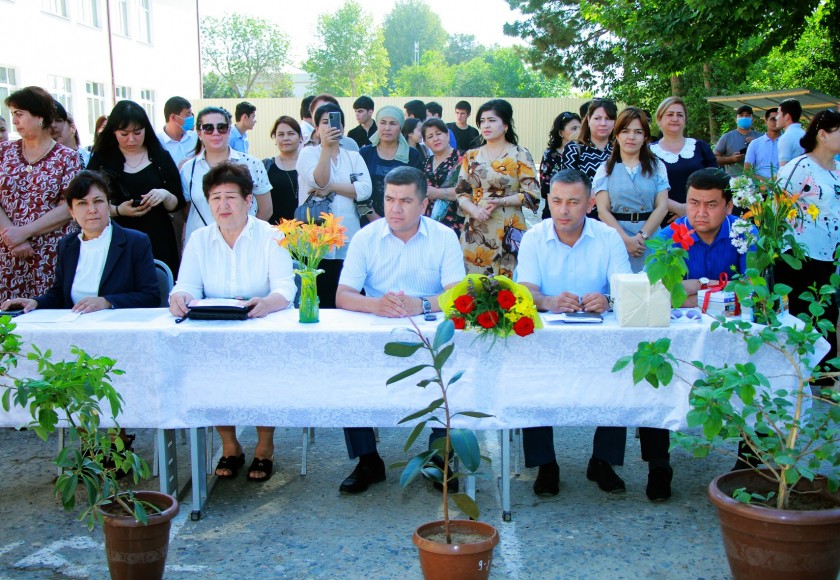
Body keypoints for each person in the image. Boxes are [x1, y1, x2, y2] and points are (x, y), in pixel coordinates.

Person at [516, 168, 674, 501]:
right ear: (548, 200)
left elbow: (622, 289)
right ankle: (545, 464)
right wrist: (549, 301)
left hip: (598, 333)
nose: (563, 209)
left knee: (617, 375)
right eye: (556, 201)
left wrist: (608, 299)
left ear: (589, 203)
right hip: (548, 337)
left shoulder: (607, 236)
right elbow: (525, 291)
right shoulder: (534, 237)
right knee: (530, 377)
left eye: (573, 202)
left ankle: (603, 461)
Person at [335, 166, 466, 494]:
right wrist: (375, 305)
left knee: (453, 371)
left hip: (431, 333)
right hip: (377, 333)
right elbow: (343, 296)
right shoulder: (367, 237)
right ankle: (368, 459)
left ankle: (439, 457)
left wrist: (420, 304)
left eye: (405, 201)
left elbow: (457, 295)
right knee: (349, 372)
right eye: (389, 199)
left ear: (423, 205)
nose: (395, 208)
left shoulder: (444, 236)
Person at [169, 162, 296, 482]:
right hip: (214, 327)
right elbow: (187, 285)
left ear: (248, 200)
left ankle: (264, 446)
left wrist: (266, 303)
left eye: (230, 197)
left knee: (263, 374)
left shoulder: (271, 235)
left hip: (260, 325)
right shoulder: (199, 238)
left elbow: (285, 288)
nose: (222, 205)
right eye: (215, 198)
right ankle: (230, 444)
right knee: (206, 372)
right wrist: (179, 296)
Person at [1, 170, 159, 313]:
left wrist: (107, 302)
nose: (92, 210)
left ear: (109, 205)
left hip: (119, 327)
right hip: (76, 329)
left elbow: (150, 296)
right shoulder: (67, 245)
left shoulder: (135, 241)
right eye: (82, 203)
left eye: (98, 201)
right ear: (72, 211)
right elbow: (58, 295)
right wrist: (34, 302)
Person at [0, 86, 81, 301]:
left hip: (49, 254)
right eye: (13, 115)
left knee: (47, 318)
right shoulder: (3, 152)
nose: (15, 121)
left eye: (19, 114)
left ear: (40, 117)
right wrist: (13, 237)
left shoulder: (68, 157)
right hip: (6, 252)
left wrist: (25, 232)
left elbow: (68, 207)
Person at [87, 100, 186, 275]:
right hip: (116, 236)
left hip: (157, 236)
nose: (131, 139)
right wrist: (118, 210)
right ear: (114, 132)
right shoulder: (101, 160)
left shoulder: (160, 157)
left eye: (137, 133)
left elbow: (177, 202)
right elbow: (88, 201)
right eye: (124, 134)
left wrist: (163, 194)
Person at [775, 109, 840, 357]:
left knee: (826, 314)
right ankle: (799, 378)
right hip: (799, 257)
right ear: (822, 135)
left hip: (829, 255)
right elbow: (776, 208)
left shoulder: (837, 169)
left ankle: (824, 382)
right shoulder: (800, 166)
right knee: (802, 318)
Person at [296, 103, 372, 309]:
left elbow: (365, 189)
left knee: (346, 296)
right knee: (319, 297)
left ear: (343, 128)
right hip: (317, 237)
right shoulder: (308, 154)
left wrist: (332, 188)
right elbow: (319, 181)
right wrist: (327, 150)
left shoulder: (354, 157)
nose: (330, 127)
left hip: (348, 236)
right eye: (324, 123)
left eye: (334, 123)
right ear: (316, 128)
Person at [456, 99, 540, 277]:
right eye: (482, 121)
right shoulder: (471, 156)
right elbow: (461, 193)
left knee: (508, 289)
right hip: (475, 229)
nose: (486, 125)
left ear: (506, 125)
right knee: (473, 288)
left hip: (508, 228)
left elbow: (533, 194)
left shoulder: (520, 154)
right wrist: (474, 210)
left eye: (492, 120)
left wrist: (501, 201)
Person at [179, 106, 273, 246]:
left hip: (243, 245)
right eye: (208, 128)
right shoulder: (189, 169)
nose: (215, 133)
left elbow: (266, 210)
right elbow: (186, 210)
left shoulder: (252, 164)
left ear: (229, 130)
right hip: (202, 247)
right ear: (199, 133)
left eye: (221, 127)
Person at [657, 168, 748, 306]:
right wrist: (725, 289)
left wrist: (699, 284)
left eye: (711, 205)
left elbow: (752, 290)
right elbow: (657, 295)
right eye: (694, 203)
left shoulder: (746, 233)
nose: (701, 213)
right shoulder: (666, 238)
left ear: (729, 206)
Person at [594, 107, 670, 272]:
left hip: (651, 236)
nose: (631, 137)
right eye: (625, 131)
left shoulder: (657, 166)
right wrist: (626, 240)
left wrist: (641, 237)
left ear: (645, 137)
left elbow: (662, 206)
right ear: (617, 135)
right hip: (617, 237)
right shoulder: (605, 169)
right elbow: (602, 210)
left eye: (638, 132)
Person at [649, 96, 717, 223]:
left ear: (685, 120)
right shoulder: (648, 153)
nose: (675, 119)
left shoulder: (700, 147)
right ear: (659, 119)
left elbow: (715, 182)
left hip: (701, 216)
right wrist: (679, 209)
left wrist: (691, 209)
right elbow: (644, 189)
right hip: (663, 220)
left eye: (680, 115)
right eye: (670, 114)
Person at [359, 105, 424, 224]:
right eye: (383, 123)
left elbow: (418, 189)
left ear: (400, 127)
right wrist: (373, 217)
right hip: (369, 221)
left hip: (403, 220)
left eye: (393, 123)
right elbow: (358, 192)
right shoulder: (365, 153)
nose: (387, 128)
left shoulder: (412, 155)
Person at [560, 98, 618, 221]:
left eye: (608, 119)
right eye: (597, 118)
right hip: (586, 217)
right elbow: (569, 185)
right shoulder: (574, 148)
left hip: (618, 217)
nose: (603, 123)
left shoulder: (620, 149)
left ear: (615, 122)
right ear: (588, 119)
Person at [421, 118, 465, 236]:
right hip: (430, 220)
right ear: (425, 142)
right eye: (430, 136)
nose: (435, 139)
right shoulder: (427, 161)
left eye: (439, 134)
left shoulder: (463, 159)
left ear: (447, 135)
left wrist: (438, 193)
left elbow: (468, 191)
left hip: (455, 220)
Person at [539, 111, 582, 219]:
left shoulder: (585, 152)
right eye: (573, 128)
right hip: (554, 208)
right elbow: (545, 186)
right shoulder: (550, 154)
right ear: (561, 133)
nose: (578, 132)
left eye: (580, 128)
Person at [263, 116, 301, 223]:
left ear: (301, 137)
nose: (286, 138)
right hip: (275, 232)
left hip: (307, 233)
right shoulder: (266, 166)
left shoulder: (310, 165)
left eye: (291, 133)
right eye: (280, 134)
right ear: (275, 138)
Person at [714, 105, 761, 176]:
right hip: (734, 183)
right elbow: (714, 158)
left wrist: (757, 144)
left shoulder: (761, 137)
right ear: (736, 119)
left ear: (752, 119)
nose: (744, 118)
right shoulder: (727, 137)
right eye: (741, 115)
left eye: (747, 115)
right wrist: (731, 159)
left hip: (758, 182)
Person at [156, 96, 197, 167]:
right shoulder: (157, 143)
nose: (191, 118)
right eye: (187, 114)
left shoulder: (196, 138)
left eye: (191, 114)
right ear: (173, 117)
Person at [744, 108, 781, 179]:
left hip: (783, 186)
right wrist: (767, 181)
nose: (776, 122)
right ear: (766, 121)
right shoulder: (755, 144)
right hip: (760, 186)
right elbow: (747, 171)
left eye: (778, 119)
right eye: (773, 119)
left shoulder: (787, 142)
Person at [51, 100, 90, 167]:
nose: (53, 126)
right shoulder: (50, 160)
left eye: (58, 121)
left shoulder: (90, 158)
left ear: (72, 127)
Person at [777, 98, 805, 167]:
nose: (776, 117)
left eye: (778, 113)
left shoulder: (786, 138)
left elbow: (783, 170)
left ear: (787, 116)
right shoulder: (805, 134)